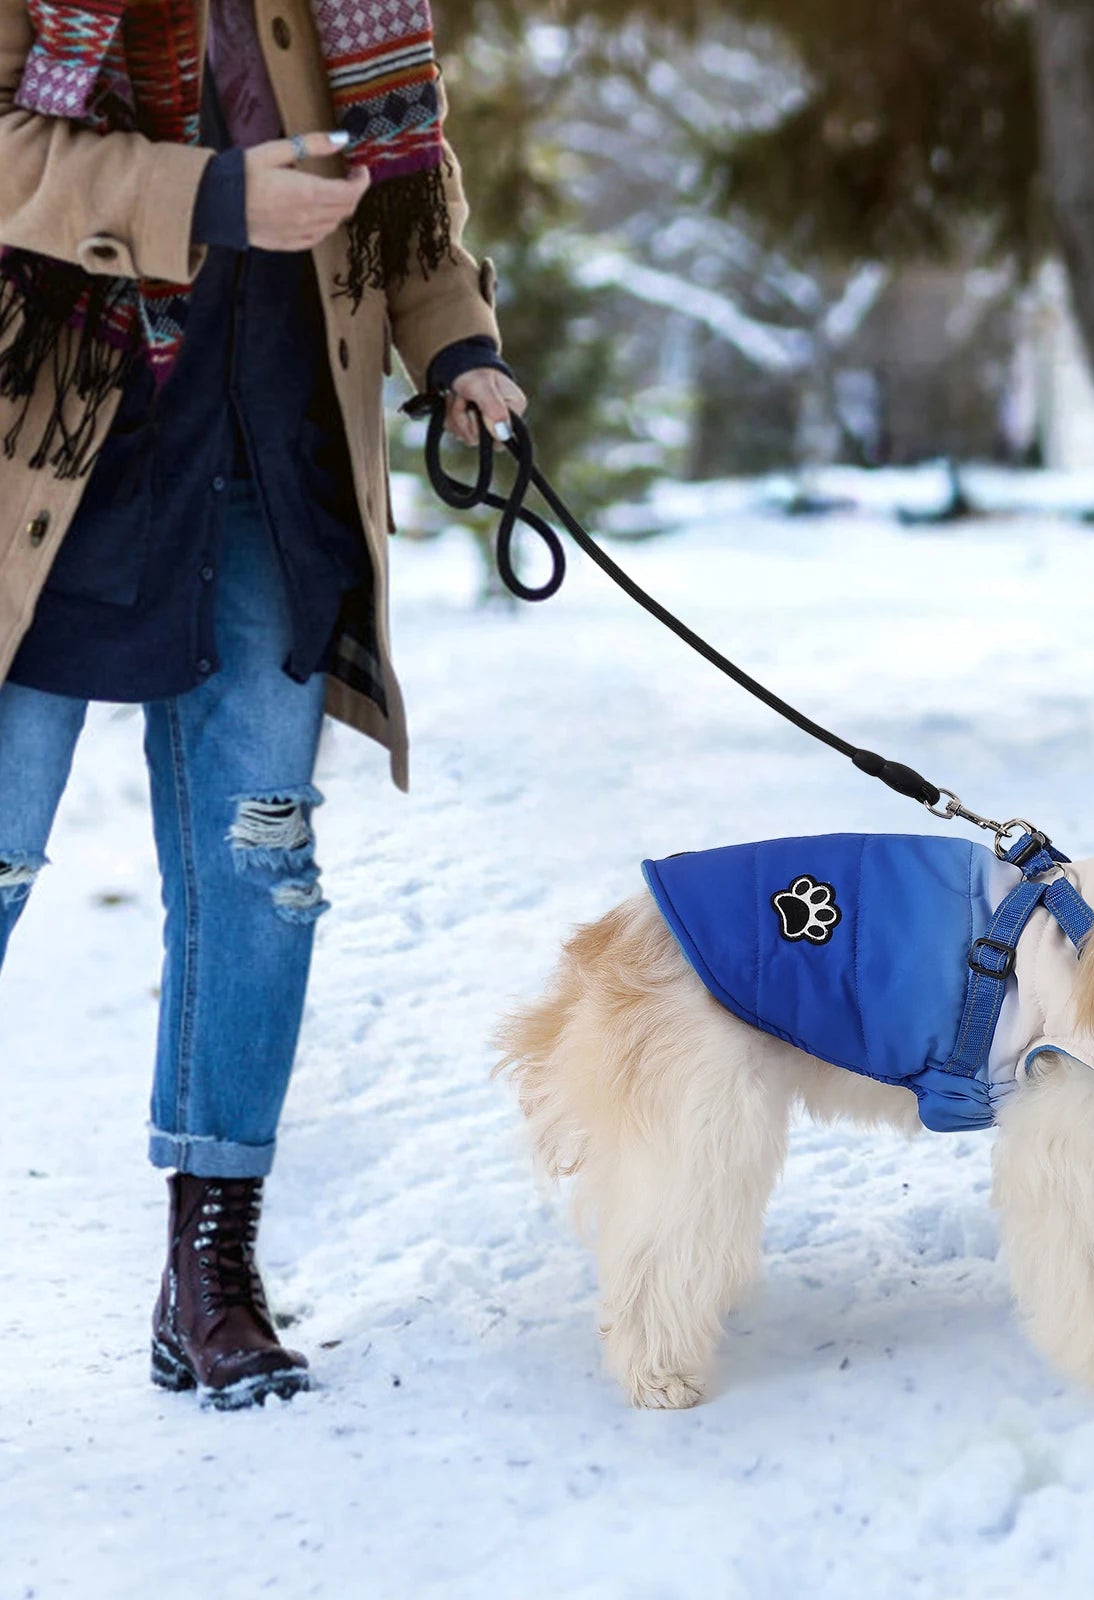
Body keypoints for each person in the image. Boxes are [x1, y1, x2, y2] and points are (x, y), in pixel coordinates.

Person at [0, 0, 525, 1409]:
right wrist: (208, 198)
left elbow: (405, 183)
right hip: (48, 455)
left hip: (266, 457)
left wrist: (457, 346)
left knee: (260, 865)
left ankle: (210, 1272)